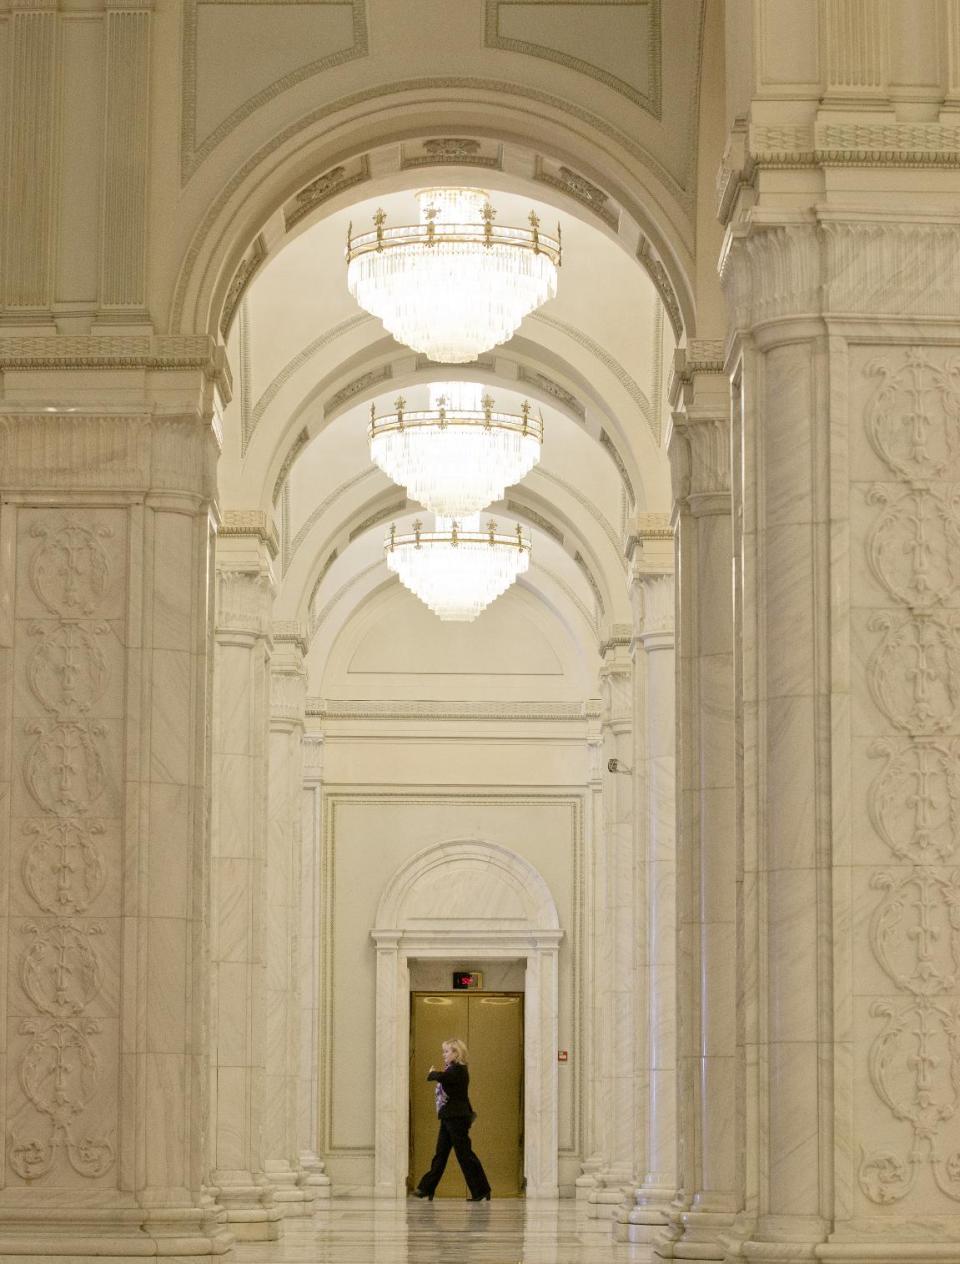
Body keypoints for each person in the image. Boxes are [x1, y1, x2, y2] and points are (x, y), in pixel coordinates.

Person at [413, 1038, 491, 1201]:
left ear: (456, 1053)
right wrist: (436, 1074)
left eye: (447, 1051)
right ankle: (427, 1188)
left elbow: (441, 1077)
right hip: (449, 1117)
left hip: (457, 1119)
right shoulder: (452, 1070)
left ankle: (481, 1189)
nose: (444, 1054)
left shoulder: (458, 1070)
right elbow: (443, 1077)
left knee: (464, 1155)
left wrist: (432, 1073)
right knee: (440, 1154)